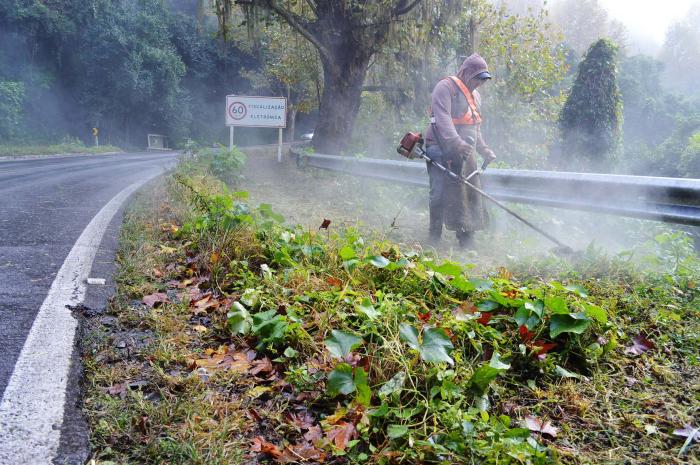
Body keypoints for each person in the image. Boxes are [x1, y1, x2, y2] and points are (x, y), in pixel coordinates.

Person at [424, 53, 496, 248]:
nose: (479, 84)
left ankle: (466, 238)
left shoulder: (476, 96)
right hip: (439, 145)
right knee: (439, 191)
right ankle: (434, 237)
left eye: (483, 80)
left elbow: (474, 127)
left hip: (463, 148)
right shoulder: (445, 87)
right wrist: (456, 142)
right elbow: (442, 119)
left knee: (469, 190)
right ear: (465, 72)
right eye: (477, 78)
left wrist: (484, 149)